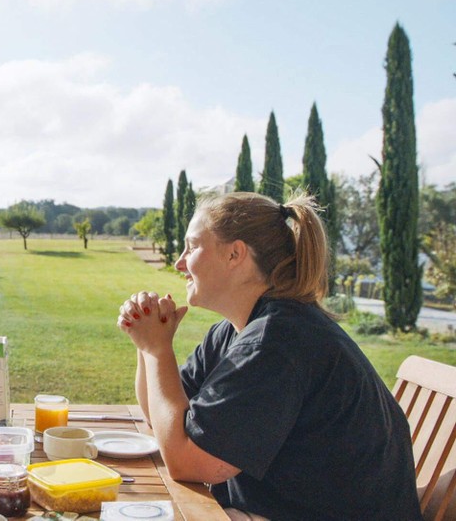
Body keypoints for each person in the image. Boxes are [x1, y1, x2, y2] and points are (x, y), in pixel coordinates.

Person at [117, 191, 421, 521]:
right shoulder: (240, 330)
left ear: (235, 254)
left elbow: (186, 462)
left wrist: (157, 349)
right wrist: (146, 342)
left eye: (192, 246)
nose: (180, 262)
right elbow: (160, 416)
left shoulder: (277, 341)